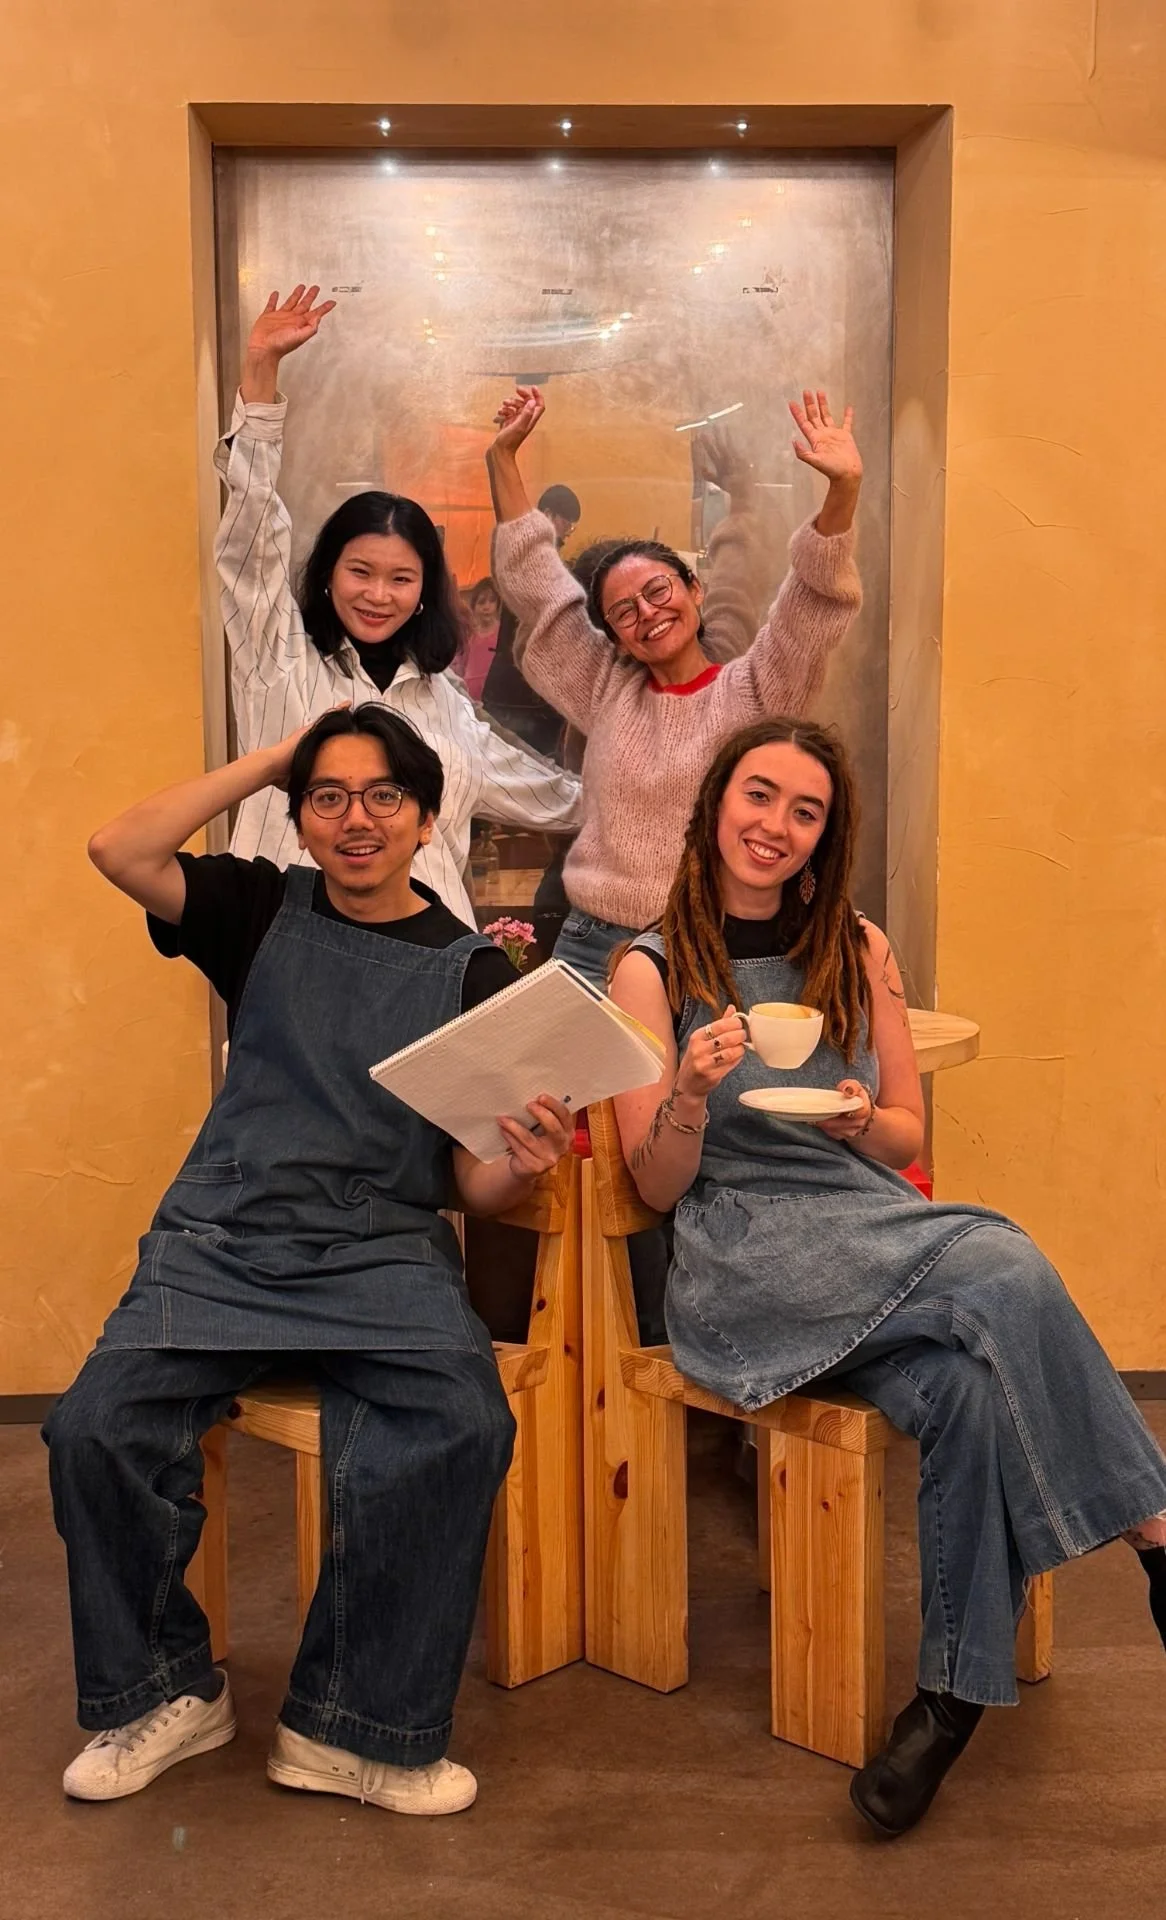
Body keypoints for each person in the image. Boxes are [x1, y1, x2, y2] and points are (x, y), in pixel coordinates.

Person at [607, 717, 1166, 1837]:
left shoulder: (855, 949)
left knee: (964, 1387)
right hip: (744, 1259)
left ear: (824, 835)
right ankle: (1158, 1538)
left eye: (801, 810)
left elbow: (905, 1134)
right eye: (756, 796)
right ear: (716, 804)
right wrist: (682, 1088)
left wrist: (863, 1120)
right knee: (999, 1260)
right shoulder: (647, 967)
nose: (773, 825)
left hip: (862, 1224)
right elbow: (657, 1189)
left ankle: (948, 1700)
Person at [44, 703, 574, 1812]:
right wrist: (282, 755)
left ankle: (357, 1729)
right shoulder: (252, 908)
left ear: (427, 820)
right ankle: (162, 1695)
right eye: (328, 797)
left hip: (382, 1247)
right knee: (96, 1425)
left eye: (384, 795)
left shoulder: (474, 973)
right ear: (301, 817)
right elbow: (118, 848)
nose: (356, 818)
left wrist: (520, 1165)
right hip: (223, 1238)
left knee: (462, 1422)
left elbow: (471, 1182)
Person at [215, 286, 580, 924]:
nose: (378, 595)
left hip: (431, 966)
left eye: (401, 579)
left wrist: (654, 793)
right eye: (360, 571)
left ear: (422, 594)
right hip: (297, 949)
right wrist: (261, 377)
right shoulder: (279, 659)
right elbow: (253, 541)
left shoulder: (444, 701)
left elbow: (548, 795)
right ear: (328, 577)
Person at [487, 385, 864, 985]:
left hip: (707, 946)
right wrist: (503, 461)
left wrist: (842, 491)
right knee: (572, 1085)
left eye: (658, 591)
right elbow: (539, 590)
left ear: (694, 590)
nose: (646, 612)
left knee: (695, 1084)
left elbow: (810, 604)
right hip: (592, 947)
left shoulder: (756, 692)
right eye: (623, 610)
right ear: (611, 634)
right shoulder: (606, 690)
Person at [482, 481, 582, 759]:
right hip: (520, 691)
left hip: (518, 688)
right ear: (549, 516)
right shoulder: (531, 557)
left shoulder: (527, 552)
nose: (568, 534)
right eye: (568, 524)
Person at [454, 576, 502, 700]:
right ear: (474, 606)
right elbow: (460, 666)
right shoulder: (469, 635)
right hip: (470, 696)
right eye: (481, 602)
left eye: (492, 601)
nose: (487, 607)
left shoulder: (502, 634)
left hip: (494, 697)